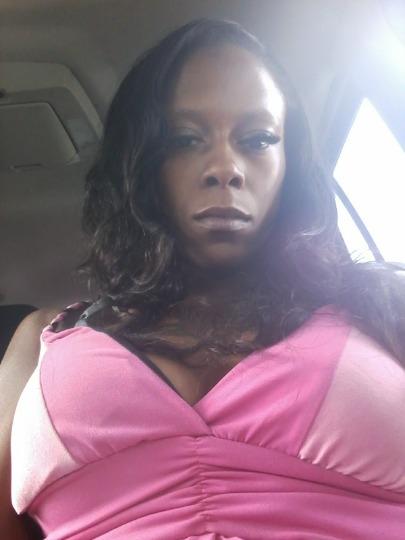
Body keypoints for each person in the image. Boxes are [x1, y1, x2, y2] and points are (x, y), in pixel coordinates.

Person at [1, 18, 405, 540]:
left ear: (292, 165)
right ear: (140, 164)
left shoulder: (382, 310)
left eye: (258, 139)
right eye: (186, 139)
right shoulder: (38, 342)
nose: (225, 167)